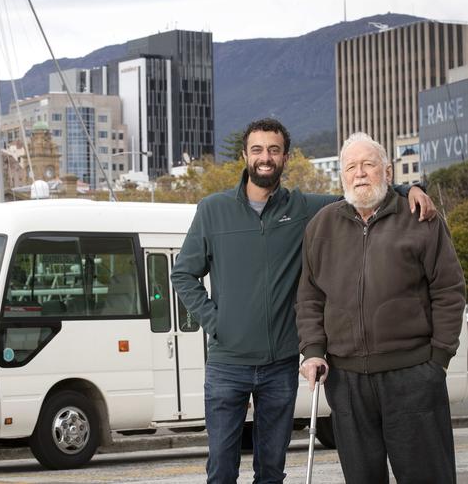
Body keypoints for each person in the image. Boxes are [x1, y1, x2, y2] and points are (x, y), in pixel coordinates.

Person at [170, 118, 436, 484]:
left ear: (285, 157)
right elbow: (183, 274)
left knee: (271, 472)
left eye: (274, 150)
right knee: (220, 470)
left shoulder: (305, 208)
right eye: (258, 150)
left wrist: (411, 189)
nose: (266, 157)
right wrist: (217, 323)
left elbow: (362, 190)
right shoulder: (212, 209)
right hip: (227, 365)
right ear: (245, 156)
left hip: (281, 364)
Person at [297, 132, 465, 484]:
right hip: (346, 381)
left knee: (427, 477)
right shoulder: (321, 226)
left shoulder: (420, 218)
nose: (359, 174)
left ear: (387, 171)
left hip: (413, 374)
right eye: (351, 167)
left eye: (369, 165)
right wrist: (313, 351)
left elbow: (449, 290)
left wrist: (437, 360)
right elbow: (311, 297)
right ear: (341, 175)